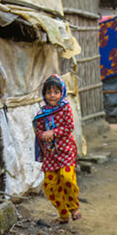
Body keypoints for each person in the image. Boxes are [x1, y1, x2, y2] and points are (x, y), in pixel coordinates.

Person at [33, 74, 81, 224]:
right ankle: (63, 214)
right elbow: (38, 132)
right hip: (50, 155)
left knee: (67, 179)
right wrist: (42, 135)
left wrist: (53, 133)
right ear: (44, 94)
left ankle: (74, 208)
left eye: (55, 92)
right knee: (50, 186)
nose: (52, 95)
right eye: (49, 92)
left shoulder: (65, 108)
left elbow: (70, 127)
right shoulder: (41, 114)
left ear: (62, 93)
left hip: (66, 151)